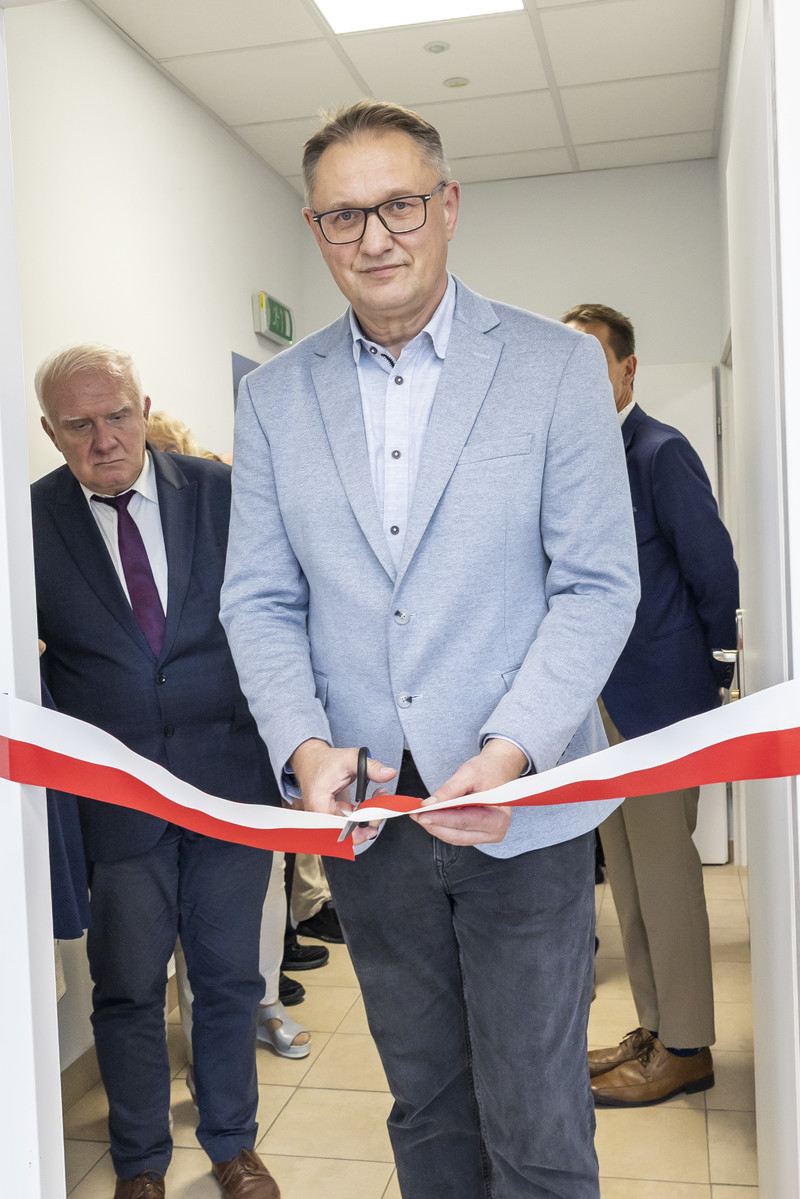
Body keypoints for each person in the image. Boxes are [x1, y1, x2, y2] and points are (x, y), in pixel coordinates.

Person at [220, 101, 640, 1199]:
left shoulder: (555, 367)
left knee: (537, 1118)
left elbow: (596, 585)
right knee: (427, 1106)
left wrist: (510, 749)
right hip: (374, 818)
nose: (375, 237)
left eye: (399, 205)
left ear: (447, 207)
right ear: (316, 230)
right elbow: (259, 600)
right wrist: (305, 748)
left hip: (524, 810)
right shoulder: (273, 399)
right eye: (344, 215)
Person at [31, 345, 282, 1199]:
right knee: (128, 987)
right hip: (117, 802)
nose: (104, 438)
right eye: (79, 424)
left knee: (228, 979)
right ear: (50, 432)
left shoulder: (220, 492)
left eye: (117, 415)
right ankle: (140, 1159)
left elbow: (275, 613)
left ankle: (233, 1144)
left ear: (145, 409)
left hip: (227, 785)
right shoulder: (28, 521)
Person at [562, 303, 740, 1107]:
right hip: (596, 706)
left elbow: (713, 569)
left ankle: (689, 1046)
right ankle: (655, 1028)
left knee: (667, 880)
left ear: (627, 369)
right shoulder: (574, 462)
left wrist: (713, 679)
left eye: (590, 362)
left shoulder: (660, 452)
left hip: (661, 706)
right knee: (628, 881)